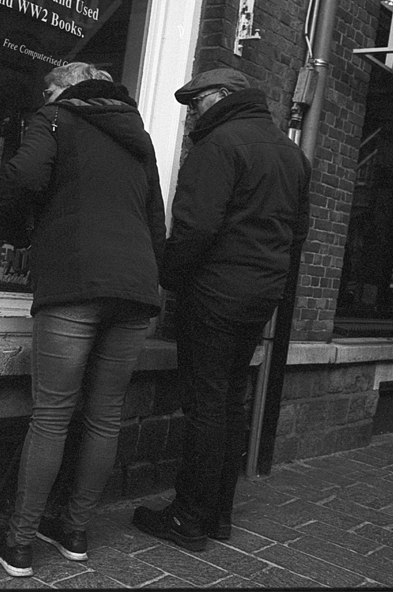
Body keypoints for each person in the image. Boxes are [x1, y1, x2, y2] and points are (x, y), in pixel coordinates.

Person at [0, 61, 166, 577]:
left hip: (75, 280)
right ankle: (74, 530)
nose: (45, 95)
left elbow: (23, 176)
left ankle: (20, 541)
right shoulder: (139, 137)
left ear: (67, 88)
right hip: (135, 288)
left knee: (52, 415)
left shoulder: (56, 117)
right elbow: (156, 222)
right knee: (105, 416)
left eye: (49, 88)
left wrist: (8, 228)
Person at [131, 68, 310, 551]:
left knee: (206, 404)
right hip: (260, 294)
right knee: (230, 402)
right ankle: (217, 517)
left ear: (225, 96)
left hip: (215, 292)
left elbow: (195, 227)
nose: (191, 112)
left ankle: (188, 519)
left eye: (197, 101)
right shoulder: (291, 153)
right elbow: (297, 235)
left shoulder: (219, 145)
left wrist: (168, 277)